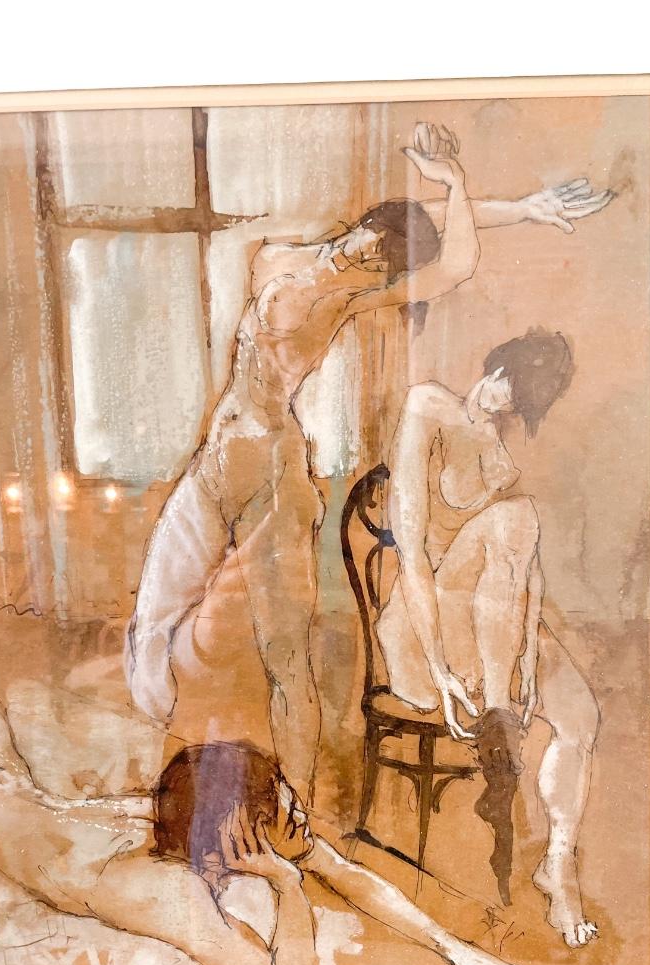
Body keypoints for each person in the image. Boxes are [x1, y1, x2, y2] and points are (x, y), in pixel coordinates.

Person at [126, 121, 614, 807]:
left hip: (272, 481)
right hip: (216, 465)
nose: (363, 261)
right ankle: (188, 785)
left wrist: (466, 188)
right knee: (155, 633)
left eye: (380, 265)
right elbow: (411, 223)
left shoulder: (349, 299)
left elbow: (452, 263)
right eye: (366, 243)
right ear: (359, 228)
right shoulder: (274, 257)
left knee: (287, 657)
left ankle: (292, 810)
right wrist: (498, 202)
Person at [0, 647, 548, 965]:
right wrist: (287, 885)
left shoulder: (194, 830)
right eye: (284, 810)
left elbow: (349, 875)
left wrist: (455, 949)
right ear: (239, 830)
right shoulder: (167, 891)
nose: (302, 820)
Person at [376, 330, 601, 948]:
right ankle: (500, 719)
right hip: (424, 631)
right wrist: (439, 668)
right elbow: (412, 556)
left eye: (519, 404)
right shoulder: (427, 406)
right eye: (508, 387)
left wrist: (529, 652)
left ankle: (558, 867)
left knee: (581, 717)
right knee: (514, 516)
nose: (504, 404)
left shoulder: (501, 457)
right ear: (497, 365)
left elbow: (528, 574)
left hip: (491, 630)